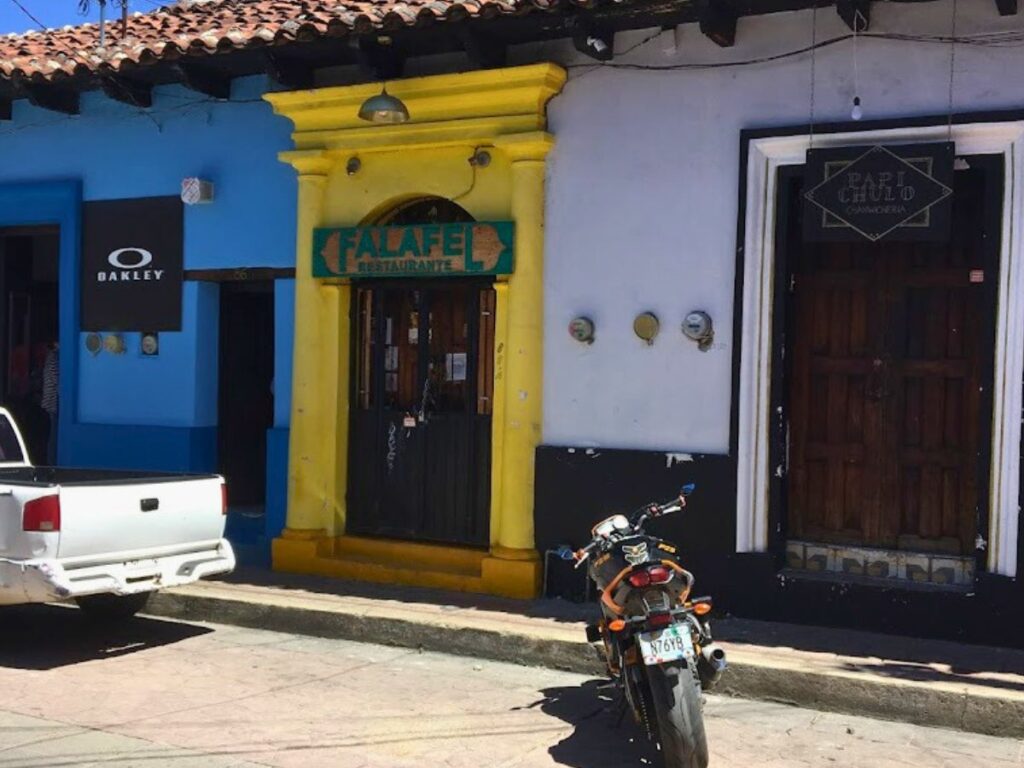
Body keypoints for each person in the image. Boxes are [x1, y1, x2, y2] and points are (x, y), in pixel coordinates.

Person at [41, 342, 58, 465]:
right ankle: (51, 464)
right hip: (53, 405)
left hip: (50, 404)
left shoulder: (52, 357)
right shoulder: (54, 358)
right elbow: (58, 382)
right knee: (53, 438)